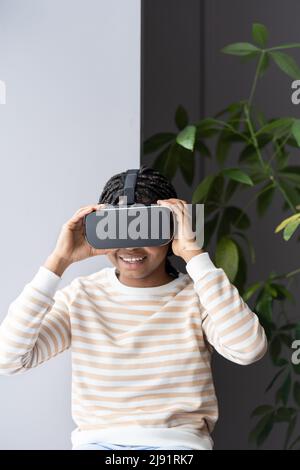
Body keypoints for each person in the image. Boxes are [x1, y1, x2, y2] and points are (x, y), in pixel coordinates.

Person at [0, 165, 268, 450]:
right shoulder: (82, 296)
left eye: (146, 229)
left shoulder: (199, 297)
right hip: (97, 445)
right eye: (121, 230)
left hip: (176, 448)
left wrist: (194, 255)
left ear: (173, 230)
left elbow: (248, 349)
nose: (131, 247)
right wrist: (59, 260)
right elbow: (9, 358)